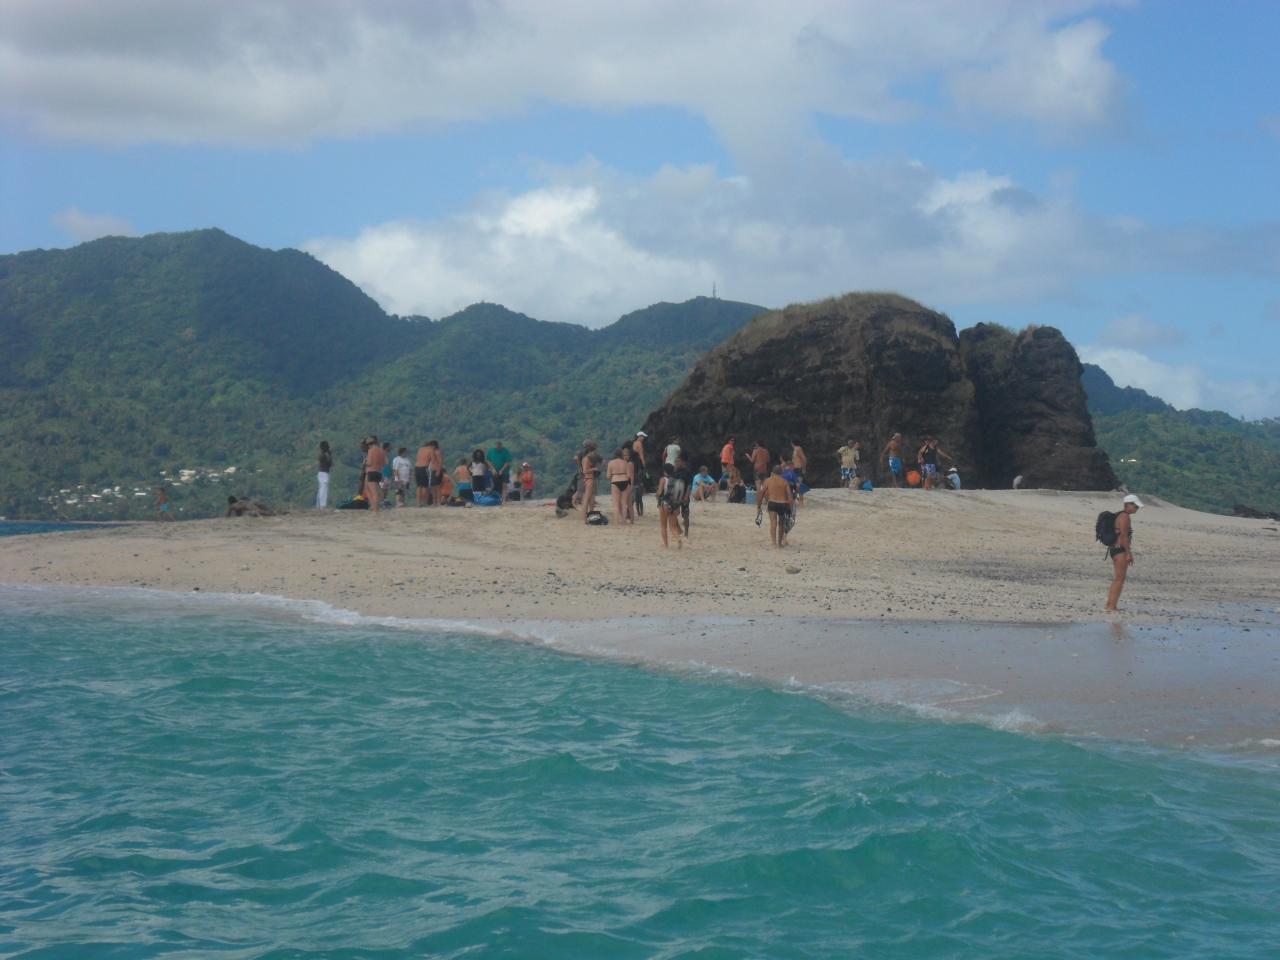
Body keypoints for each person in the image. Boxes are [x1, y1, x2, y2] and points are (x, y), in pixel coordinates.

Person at [1105, 494, 1143, 612]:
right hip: (1120, 550)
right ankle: (1112, 606)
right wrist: (1129, 553)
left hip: (1114, 549)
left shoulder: (1119, 515)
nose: (1137, 508)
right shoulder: (1125, 517)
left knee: (1117, 579)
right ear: (1128, 505)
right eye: (1135, 506)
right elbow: (1124, 537)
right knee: (1120, 579)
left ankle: (1109, 605)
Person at [760, 465, 794, 548]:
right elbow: (790, 496)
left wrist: (758, 505)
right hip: (782, 504)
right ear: (781, 472)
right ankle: (779, 543)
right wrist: (791, 508)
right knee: (781, 524)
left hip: (772, 502)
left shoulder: (768, 480)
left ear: (772, 472)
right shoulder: (784, 481)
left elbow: (761, 493)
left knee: (773, 523)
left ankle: (774, 543)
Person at [656, 463, 684, 549]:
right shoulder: (677, 480)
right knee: (673, 526)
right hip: (674, 505)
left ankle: (665, 545)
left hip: (664, 504)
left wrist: (657, 494)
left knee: (663, 526)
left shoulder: (663, 480)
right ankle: (678, 538)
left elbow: (660, 492)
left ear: (664, 471)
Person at [606, 446, 635, 524]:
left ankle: (616, 521)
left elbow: (608, 476)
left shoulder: (611, 462)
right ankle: (624, 521)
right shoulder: (625, 462)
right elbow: (629, 475)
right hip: (625, 481)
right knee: (624, 503)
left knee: (616, 503)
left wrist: (613, 477)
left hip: (615, 481)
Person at [580, 442, 603, 523]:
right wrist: (594, 469)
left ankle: (588, 516)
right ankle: (584, 518)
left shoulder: (587, 458)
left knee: (590, 499)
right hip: (589, 479)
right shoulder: (586, 459)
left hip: (589, 479)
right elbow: (585, 471)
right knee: (586, 499)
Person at [363, 436, 387, 513]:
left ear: (370, 444)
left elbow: (369, 462)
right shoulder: (381, 451)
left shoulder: (371, 450)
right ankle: (374, 506)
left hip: (371, 471)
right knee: (369, 489)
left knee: (374, 492)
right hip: (379, 472)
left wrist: (365, 463)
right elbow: (384, 463)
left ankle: (376, 510)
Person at [674, 454, 694, 537]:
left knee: (685, 515)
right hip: (676, 496)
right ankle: (678, 530)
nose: (675, 463)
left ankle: (686, 533)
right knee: (674, 513)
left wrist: (686, 496)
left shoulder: (687, 472)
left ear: (682, 462)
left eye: (677, 461)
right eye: (675, 462)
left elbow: (689, 485)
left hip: (684, 495)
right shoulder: (674, 471)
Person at [632, 432, 649, 517]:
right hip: (639, 464)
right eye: (643, 437)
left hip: (634, 464)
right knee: (640, 481)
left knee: (637, 482)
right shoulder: (639, 443)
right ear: (639, 436)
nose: (644, 438)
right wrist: (644, 464)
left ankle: (637, 509)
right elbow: (641, 455)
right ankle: (640, 511)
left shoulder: (634, 443)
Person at [790, 440, 808, 505]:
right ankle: (797, 500)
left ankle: (801, 501)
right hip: (795, 469)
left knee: (799, 484)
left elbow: (804, 458)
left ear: (792, 443)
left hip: (799, 468)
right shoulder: (795, 449)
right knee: (795, 484)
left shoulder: (798, 448)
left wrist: (804, 468)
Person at [316, 441, 332, 508]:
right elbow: (329, 463)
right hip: (324, 473)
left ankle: (319, 505)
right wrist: (329, 455)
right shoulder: (323, 455)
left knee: (322, 489)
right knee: (323, 490)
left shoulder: (323, 454)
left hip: (323, 473)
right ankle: (322, 505)